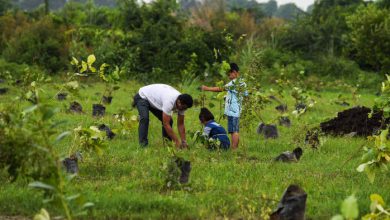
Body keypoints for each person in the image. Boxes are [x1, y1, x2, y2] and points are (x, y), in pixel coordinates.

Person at [201, 63, 247, 149]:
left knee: (234, 131)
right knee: (235, 130)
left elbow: (221, 88)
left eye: (229, 74)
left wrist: (207, 88)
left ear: (234, 72)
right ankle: (235, 148)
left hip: (233, 110)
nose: (228, 76)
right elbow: (245, 95)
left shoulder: (234, 82)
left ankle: (234, 149)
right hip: (237, 109)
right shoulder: (243, 83)